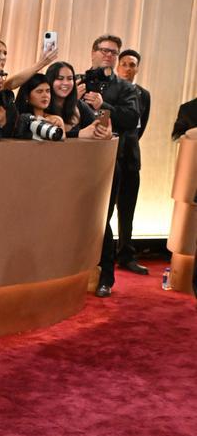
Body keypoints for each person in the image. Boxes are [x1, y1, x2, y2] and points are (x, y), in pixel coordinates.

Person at [80, 34, 140, 297]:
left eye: (113, 52)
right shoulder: (76, 81)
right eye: (103, 50)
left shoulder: (126, 88)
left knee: (101, 219)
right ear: (93, 52)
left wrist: (103, 105)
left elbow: (131, 118)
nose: (108, 55)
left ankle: (106, 275)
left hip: (109, 161)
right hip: (75, 160)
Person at [114, 48, 151, 273]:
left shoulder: (144, 95)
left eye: (133, 65)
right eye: (125, 64)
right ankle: (98, 255)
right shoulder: (109, 90)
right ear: (118, 66)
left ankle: (125, 254)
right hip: (109, 156)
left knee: (128, 209)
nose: (128, 68)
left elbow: (140, 127)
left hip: (131, 157)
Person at [46, 61, 112, 139]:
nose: (66, 83)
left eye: (70, 79)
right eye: (60, 78)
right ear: (50, 81)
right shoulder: (43, 106)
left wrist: (106, 134)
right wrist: (79, 134)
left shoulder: (80, 105)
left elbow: (95, 126)